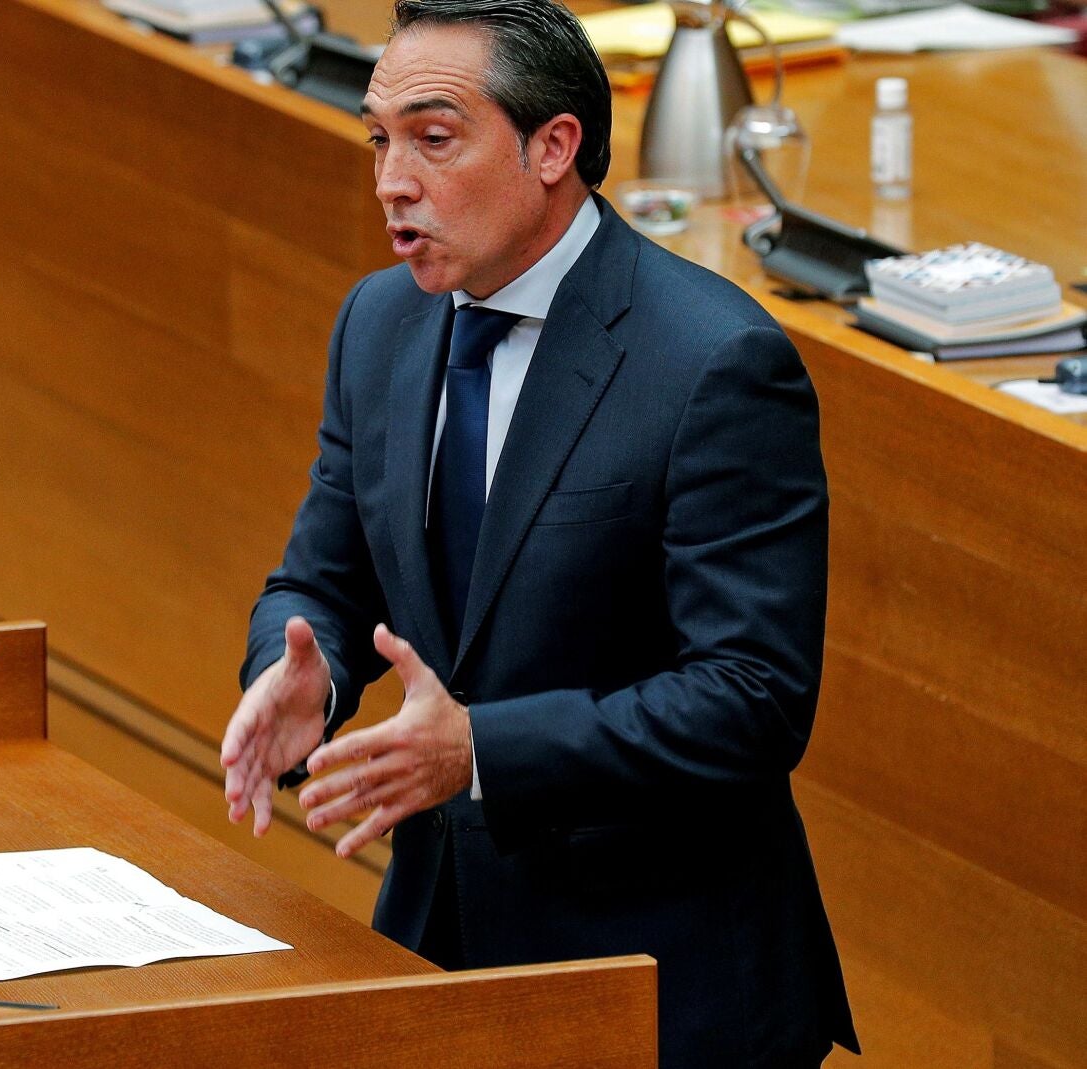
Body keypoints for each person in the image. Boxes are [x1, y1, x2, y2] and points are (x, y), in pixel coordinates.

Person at [218, 2, 858, 1065]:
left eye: (433, 138)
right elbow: (323, 581)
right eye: (378, 140)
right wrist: (306, 675)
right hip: (440, 944)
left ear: (553, 146)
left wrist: (481, 752)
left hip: (662, 983)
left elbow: (752, 698)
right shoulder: (379, 323)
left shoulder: (714, 362)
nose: (390, 181)